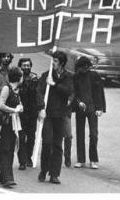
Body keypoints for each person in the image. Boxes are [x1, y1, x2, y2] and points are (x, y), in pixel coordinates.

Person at [38, 51, 73, 184]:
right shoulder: (46, 75)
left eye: (56, 61)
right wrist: (41, 108)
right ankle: (43, 170)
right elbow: (39, 93)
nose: (53, 63)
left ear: (62, 63)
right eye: (52, 60)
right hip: (47, 114)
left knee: (57, 145)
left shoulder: (68, 77)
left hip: (60, 115)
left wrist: (55, 85)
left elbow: (69, 91)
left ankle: (54, 174)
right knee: (47, 143)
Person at [72, 56, 106, 169]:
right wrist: (78, 102)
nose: (84, 70)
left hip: (92, 108)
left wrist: (100, 108)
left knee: (94, 134)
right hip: (81, 108)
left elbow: (99, 92)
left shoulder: (94, 76)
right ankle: (81, 160)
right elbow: (74, 93)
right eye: (82, 68)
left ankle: (93, 160)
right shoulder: (76, 77)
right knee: (80, 134)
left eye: (86, 67)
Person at [0, 67, 24, 188]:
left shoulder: (16, 90)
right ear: (18, 77)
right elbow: (1, 105)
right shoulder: (7, 88)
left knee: (11, 148)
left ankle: (3, 176)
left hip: (13, 123)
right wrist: (14, 110)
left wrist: (20, 107)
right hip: (5, 123)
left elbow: (17, 104)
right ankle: (7, 178)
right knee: (6, 149)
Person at [17, 57, 43, 169]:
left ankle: (29, 157)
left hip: (32, 112)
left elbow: (38, 94)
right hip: (20, 112)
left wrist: (40, 109)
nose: (26, 67)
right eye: (24, 65)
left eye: (28, 65)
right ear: (20, 67)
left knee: (31, 136)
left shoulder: (35, 78)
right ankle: (22, 161)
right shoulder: (17, 78)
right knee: (21, 137)